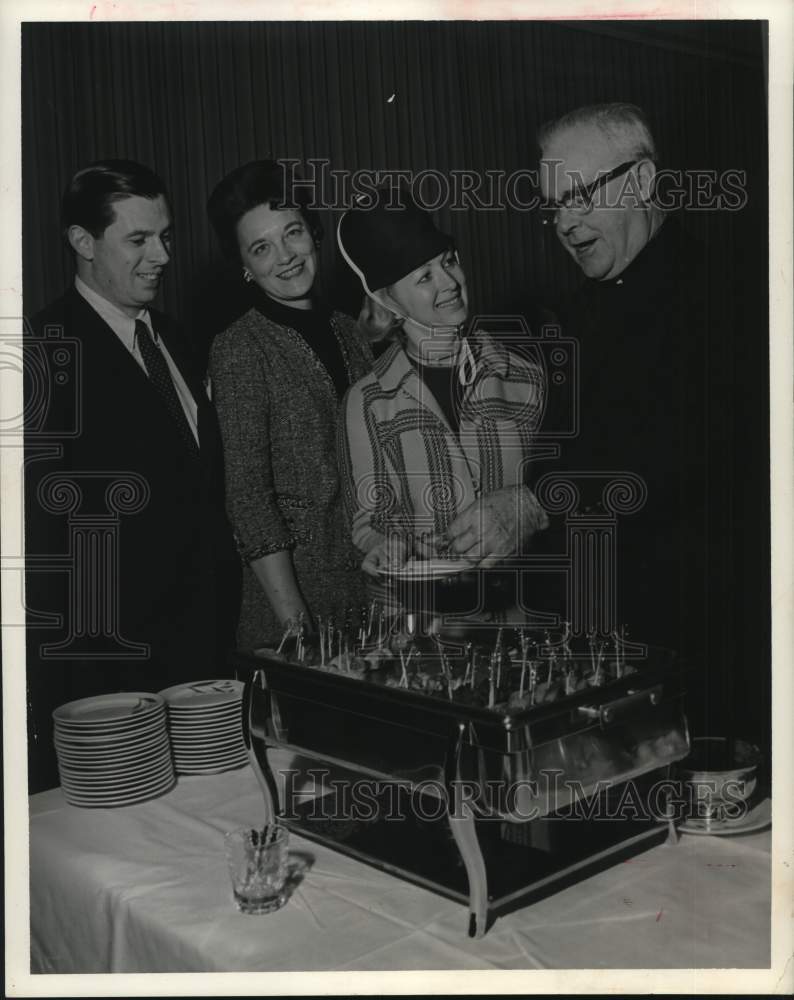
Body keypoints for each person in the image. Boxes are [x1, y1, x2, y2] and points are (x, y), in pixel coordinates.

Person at [535, 102, 769, 749]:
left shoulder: (724, 289)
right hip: (604, 640)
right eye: (553, 205)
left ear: (639, 182)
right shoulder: (580, 308)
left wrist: (529, 503)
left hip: (700, 645)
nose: (564, 223)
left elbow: (673, 455)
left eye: (578, 197)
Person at [24, 159, 240, 791]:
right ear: (82, 243)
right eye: (138, 239)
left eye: (166, 236)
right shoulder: (41, 352)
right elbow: (42, 545)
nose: (162, 255)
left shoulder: (174, 337)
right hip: (112, 682)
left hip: (203, 661)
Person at [336, 188, 548, 609]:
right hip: (429, 628)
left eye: (448, 261)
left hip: (529, 620)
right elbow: (371, 521)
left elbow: (561, 490)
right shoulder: (368, 403)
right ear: (387, 301)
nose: (450, 282)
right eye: (424, 276)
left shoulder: (526, 377)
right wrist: (388, 547)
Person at [206, 160, 374, 651]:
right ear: (243, 264)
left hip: (372, 597)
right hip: (291, 614)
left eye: (292, 233)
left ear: (314, 233)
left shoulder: (350, 332)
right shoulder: (238, 347)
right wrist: (297, 628)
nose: (285, 256)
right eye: (261, 247)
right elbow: (247, 498)